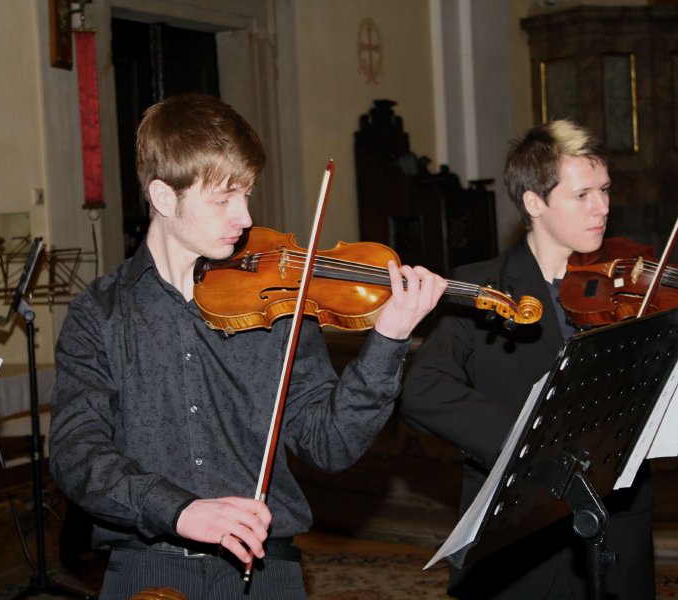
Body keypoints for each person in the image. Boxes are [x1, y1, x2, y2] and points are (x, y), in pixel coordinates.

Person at [48, 92, 447, 599]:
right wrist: (179, 509)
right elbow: (76, 452)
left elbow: (330, 443)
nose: (245, 217)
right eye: (223, 199)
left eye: (247, 195)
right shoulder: (99, 314)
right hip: (146, 571)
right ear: (164, 198)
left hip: (263, 573)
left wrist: (389, 339)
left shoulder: (278, 303)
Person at [400, 120, 656, 599]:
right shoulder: (484, 288)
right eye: (582, 195)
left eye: (604, 190)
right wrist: (528, 443)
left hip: (616, 525)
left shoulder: (629, 288)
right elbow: (422, 388)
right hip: (519, 539)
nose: (602, 207)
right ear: (534, 203)